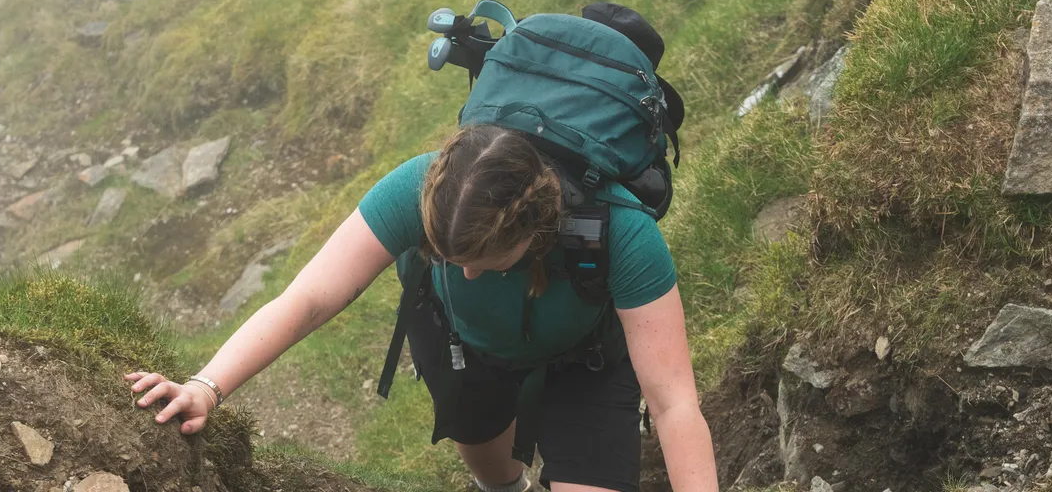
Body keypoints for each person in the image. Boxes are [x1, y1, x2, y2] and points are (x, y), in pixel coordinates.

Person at [126, 124, 718, 492]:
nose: (464, 271)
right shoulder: (418, 185)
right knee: (487, 461)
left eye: (484, 261)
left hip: (587, 360)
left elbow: (674, 403)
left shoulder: (622, 235)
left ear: (536, 229)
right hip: (464, 342)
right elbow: (308, 299)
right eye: (446, 252)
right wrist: (206, 386)